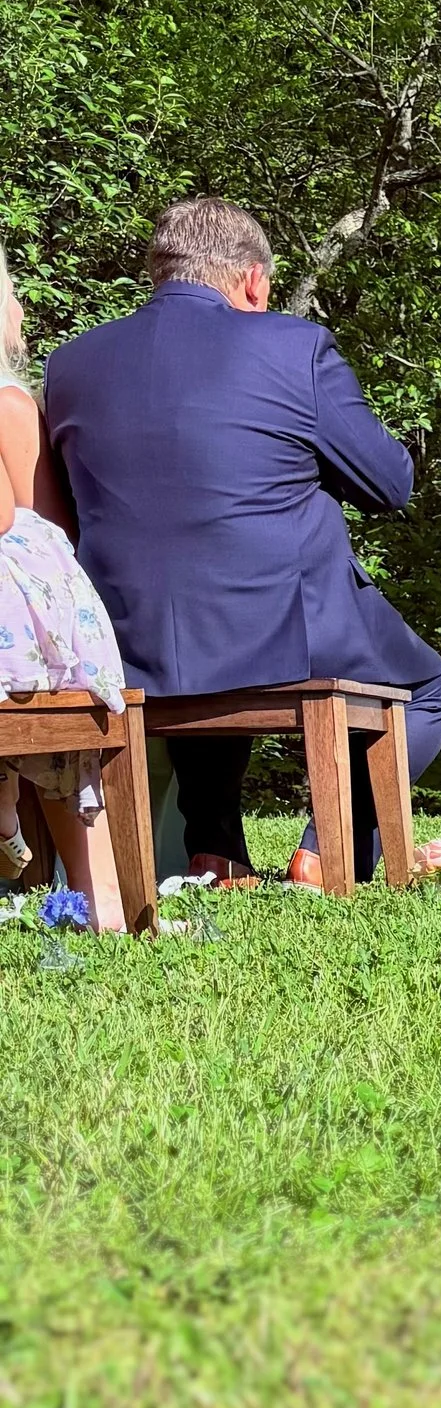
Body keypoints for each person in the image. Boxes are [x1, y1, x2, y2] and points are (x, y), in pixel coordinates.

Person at [41, 197, 441, 888]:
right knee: (428, 687)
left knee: (207, 637)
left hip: (127, 636)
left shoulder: (74, 364)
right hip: (284, 625)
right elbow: (390, 483)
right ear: (254, 281)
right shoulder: (294, 348)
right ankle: (328, 847)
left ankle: (217, 851)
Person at [0, 244, 129, 929]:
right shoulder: (13, 403)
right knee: (62, 696)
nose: (23, 305)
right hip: (22, 623)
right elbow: (36, 521)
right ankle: (97, 890)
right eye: (14, 290)